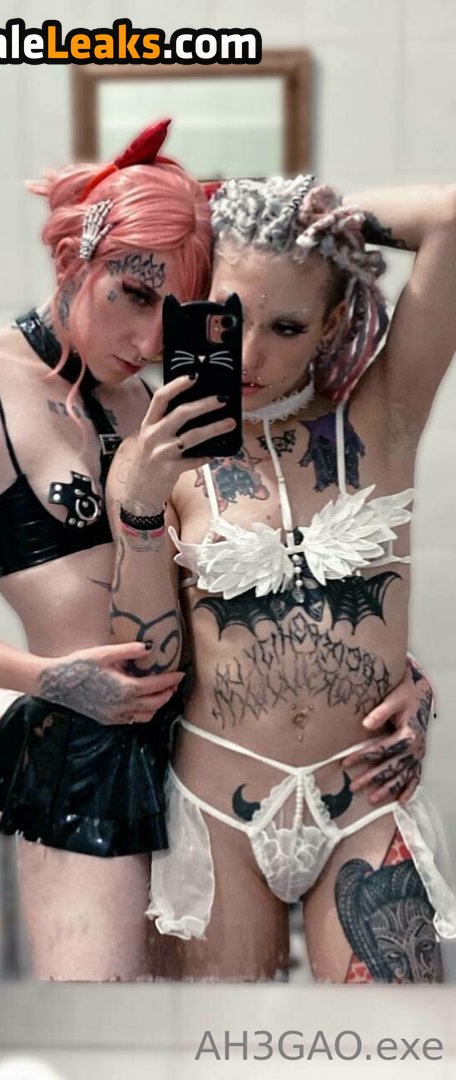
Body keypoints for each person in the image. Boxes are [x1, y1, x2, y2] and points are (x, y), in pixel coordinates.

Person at [0, 120, 211, 981]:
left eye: (170, 313)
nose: (148, 340)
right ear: (73, 259)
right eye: (132, 296)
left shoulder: (152, 404)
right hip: (84, 753)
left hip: (208, 749)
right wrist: (48, 678)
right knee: (104, 1021)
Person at [107, 175, 456, 982]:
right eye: (230, 320)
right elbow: (145, 661)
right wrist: (140, 505)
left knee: (403, 1042)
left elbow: (450, 217)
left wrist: (324, 221)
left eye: (288, 326)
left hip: (364, 803)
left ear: (330, 323)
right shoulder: (155, 454)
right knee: (227, 1044)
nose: (251, 356)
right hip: (216, 808)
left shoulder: (383, 420)